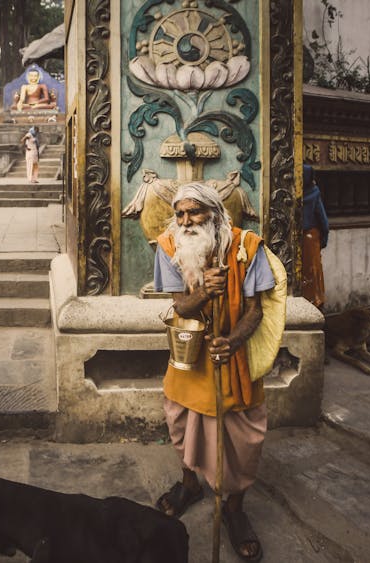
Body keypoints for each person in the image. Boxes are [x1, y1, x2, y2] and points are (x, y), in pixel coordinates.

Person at [153, 182, 278, 562]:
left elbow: (255, 310)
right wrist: (206, 292)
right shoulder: (169, 246)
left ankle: (235, 510)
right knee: (181, 422)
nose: (186, 221)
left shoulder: (246, 246)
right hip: (191, 355)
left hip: (233, 358)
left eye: (194, 212)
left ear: (214, 211)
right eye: (180, 214)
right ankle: (189, 484)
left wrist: (234, 341)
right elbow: (181, 307)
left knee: (245, 438)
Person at [301, 164, 329, 309]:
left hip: (296, 238)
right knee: (314, 271)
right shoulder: (314, 192)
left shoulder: (293, 193)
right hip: (311, 238)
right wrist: (323, 240)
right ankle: (315, 302)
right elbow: (323, 220)